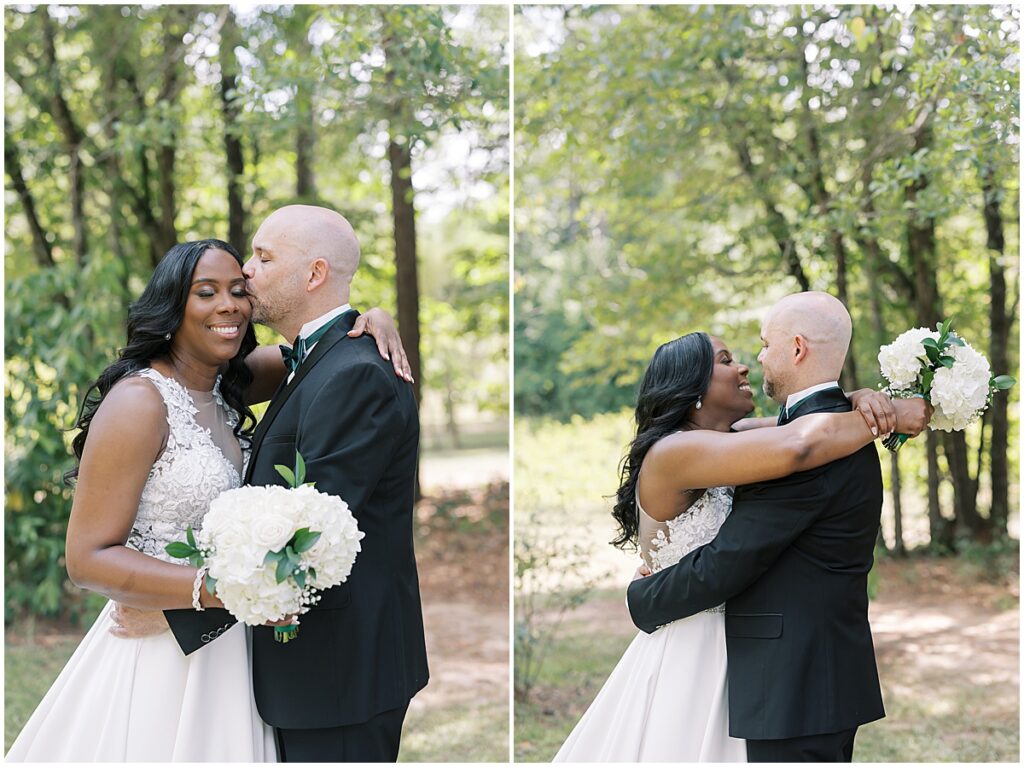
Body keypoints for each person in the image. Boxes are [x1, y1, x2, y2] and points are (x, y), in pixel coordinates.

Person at [6, 239, 408, 762]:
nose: (230, 305)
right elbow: (85, 559)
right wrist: (223, 592)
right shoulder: (139, 402)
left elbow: (323, 350)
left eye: (239, 290)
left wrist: (373, 318)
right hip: (159, 650)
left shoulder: (233, 384)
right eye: (207, 292)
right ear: (173, 307)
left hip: (235, 655)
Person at [554, 292, 932, 762]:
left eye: (752, 350)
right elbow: (798, 444)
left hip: (746, 657)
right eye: (727, 359)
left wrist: (857, 400)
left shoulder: (728, 440)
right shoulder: (675, 452)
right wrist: (887, 416)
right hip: (691, 646)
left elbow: (802, 425)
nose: (746, 365)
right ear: (692, 388)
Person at [161, 206, 429, 762]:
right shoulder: (314, 359)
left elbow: (305, 539)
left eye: (263, 257)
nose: (246, 274)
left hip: (339, 673)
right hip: (313, 670)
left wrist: (173, 602)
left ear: (313, 274)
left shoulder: (353, 371)